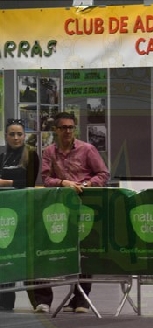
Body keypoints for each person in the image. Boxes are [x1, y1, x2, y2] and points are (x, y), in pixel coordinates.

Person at [32, 112, 110, 314]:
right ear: (55, 130)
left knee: (84, 251)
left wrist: (87, 184)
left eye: (70, 127)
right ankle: (43, 300)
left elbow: (104, 174)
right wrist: (64, 183)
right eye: (63, 128)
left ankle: (81, 300)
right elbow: (46, 179)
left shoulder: (87, 149)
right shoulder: (49, 152)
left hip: (85, 206)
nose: (67, 131)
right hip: (58, 207)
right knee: (48, 248)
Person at [0, 118, 40, 312]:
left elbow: (30, 182)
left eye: (19, 134)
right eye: (12, 134)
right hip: (5, 213)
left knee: (26, 257)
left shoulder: (31, 156)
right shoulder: (2, 157)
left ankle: (39, 301)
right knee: (5, 255)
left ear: (24, 136)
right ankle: (5, 300)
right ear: (6, 136)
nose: (16, 138)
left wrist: (6, 183)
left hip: (25, 212)